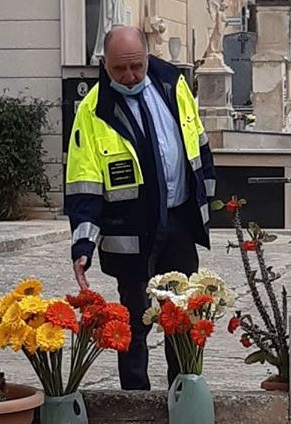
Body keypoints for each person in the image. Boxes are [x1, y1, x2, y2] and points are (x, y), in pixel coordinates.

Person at [64, 26, 217, 390]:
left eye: (137, 66)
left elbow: (198, 143)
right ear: (105, 64)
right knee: (132, 323)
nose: (130, 77)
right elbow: (83, 183)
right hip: (130, 232)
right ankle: (136, 400)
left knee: (181, 317)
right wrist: (83, 244)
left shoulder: (172, 84)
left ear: (148, 57)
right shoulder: (93, 110)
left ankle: (183, 394)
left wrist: (207, 199)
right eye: (120, 70)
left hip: (179, 222)